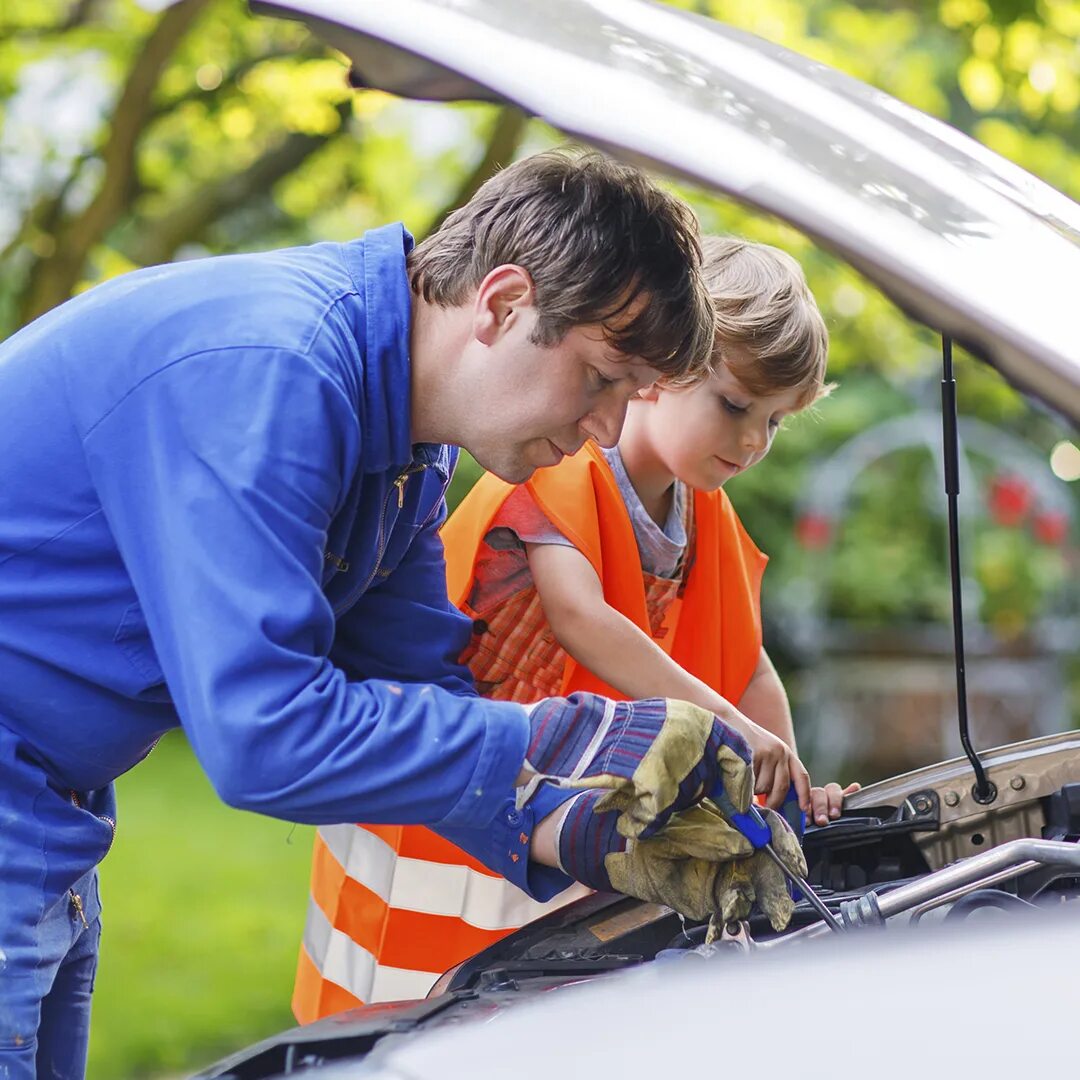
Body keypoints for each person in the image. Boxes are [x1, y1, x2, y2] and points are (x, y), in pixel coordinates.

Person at [0, 149, 792, 1080]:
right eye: (601, 381)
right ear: (503, 304)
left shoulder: (407, 446)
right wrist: (573, 745)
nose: (608, 431)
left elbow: (416, 686)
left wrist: (586, 821)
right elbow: (267, 732)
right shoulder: (275, 375)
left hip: (49, 809)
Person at [294, 236, 852, 1021]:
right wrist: (727, 725)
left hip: (557, 812)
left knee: (530, 1012)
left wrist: (787, 774)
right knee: (404, 1011)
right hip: (452, 798)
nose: (754, 441)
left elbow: (746, 658)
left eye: (774, 422)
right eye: (735, 405)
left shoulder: (706, 513)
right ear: (662, 372)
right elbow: (582, 618)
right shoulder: (560, 458)